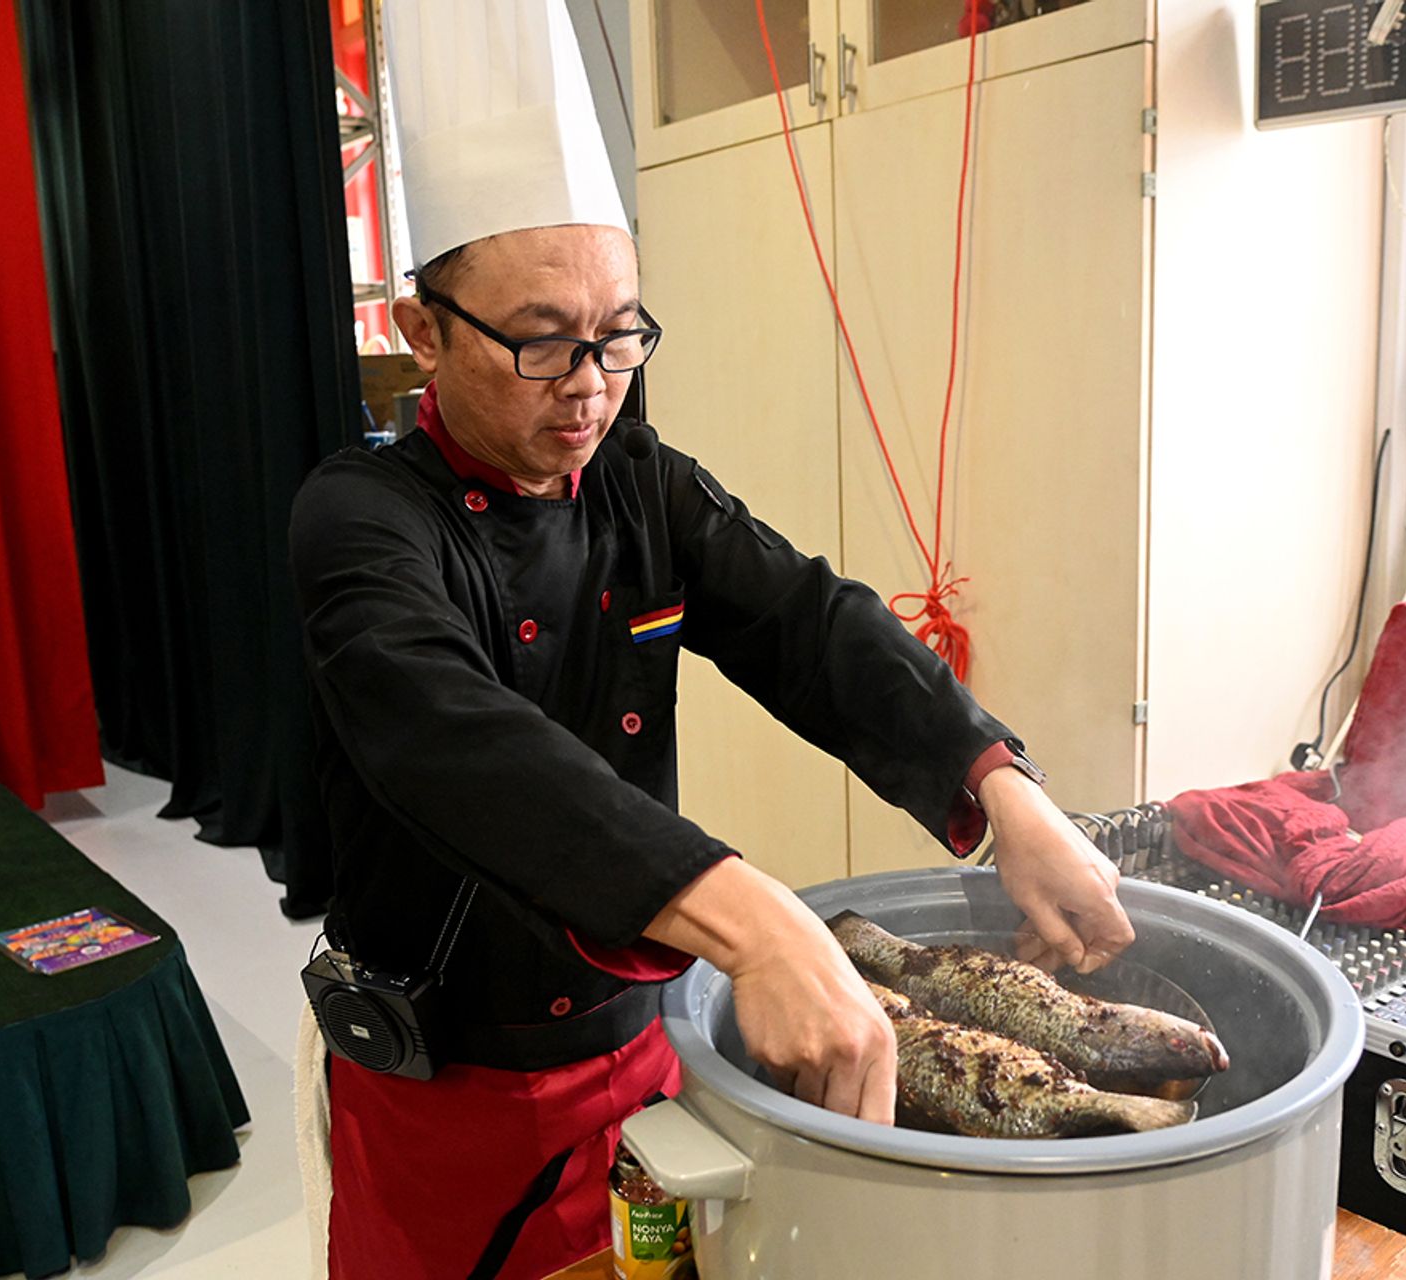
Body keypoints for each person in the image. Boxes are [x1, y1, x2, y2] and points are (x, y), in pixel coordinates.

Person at [288, 3, 1134, 1276]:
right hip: (445, 1090)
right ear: (426, 333)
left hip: (641, 1048)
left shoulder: (634, 479)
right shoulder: (359, 520)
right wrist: (757, 922)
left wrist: (997, 787)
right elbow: (455, 738)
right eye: (539, 341)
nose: (589, 381)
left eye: (620, 332)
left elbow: (809, 622)